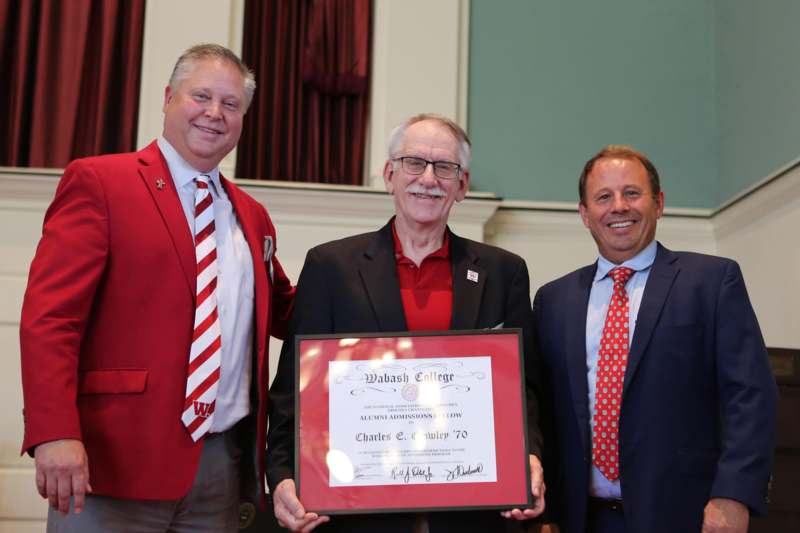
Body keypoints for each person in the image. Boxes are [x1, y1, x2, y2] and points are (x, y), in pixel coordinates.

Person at [19, 43, 294, 532]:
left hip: (221, 471)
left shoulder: (251, 216)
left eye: (230, 105)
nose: (215, 113)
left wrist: (371, 280)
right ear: (168, 97)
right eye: (201, 96)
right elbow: (51, 319)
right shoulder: (102, 182)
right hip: (112, 463)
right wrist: (54, 433)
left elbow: (288, 312)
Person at [266, 113, 545, 532]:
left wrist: (529, 456)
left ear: (462, 186)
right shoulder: (331, 267)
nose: (428, 178)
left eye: (445, 167)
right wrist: (284, 475)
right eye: (414, 162)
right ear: (390, 174)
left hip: (470, 513)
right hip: (358, 513)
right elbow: (293, 390)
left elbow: (524, 392)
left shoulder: (503, 272)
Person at [533, 145, 777, 533]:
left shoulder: (712, 282)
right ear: (584, 214)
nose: (619, 206)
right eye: (603, 197)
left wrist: (734, 495)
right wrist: (546, 515)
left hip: (688, 515)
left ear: (658, 203)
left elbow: (750, 397)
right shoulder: (553, 300)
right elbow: (541, 411)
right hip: (580, 518)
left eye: (632, 193)